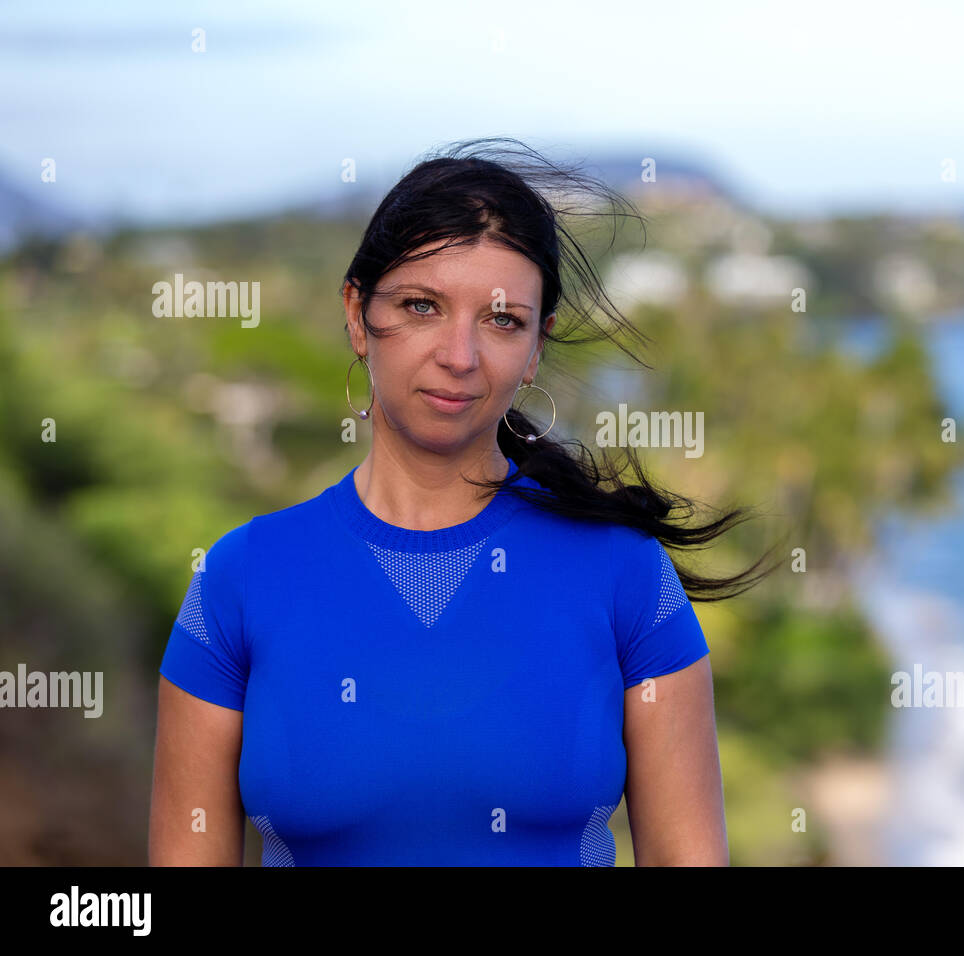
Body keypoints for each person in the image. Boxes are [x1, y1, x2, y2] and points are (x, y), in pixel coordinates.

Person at [148, 137, 775, 866]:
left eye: (502, 320)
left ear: (536, 347)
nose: (459, 355)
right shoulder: (240, 579)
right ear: (358, 315)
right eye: (422, 306)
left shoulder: (626, 577)